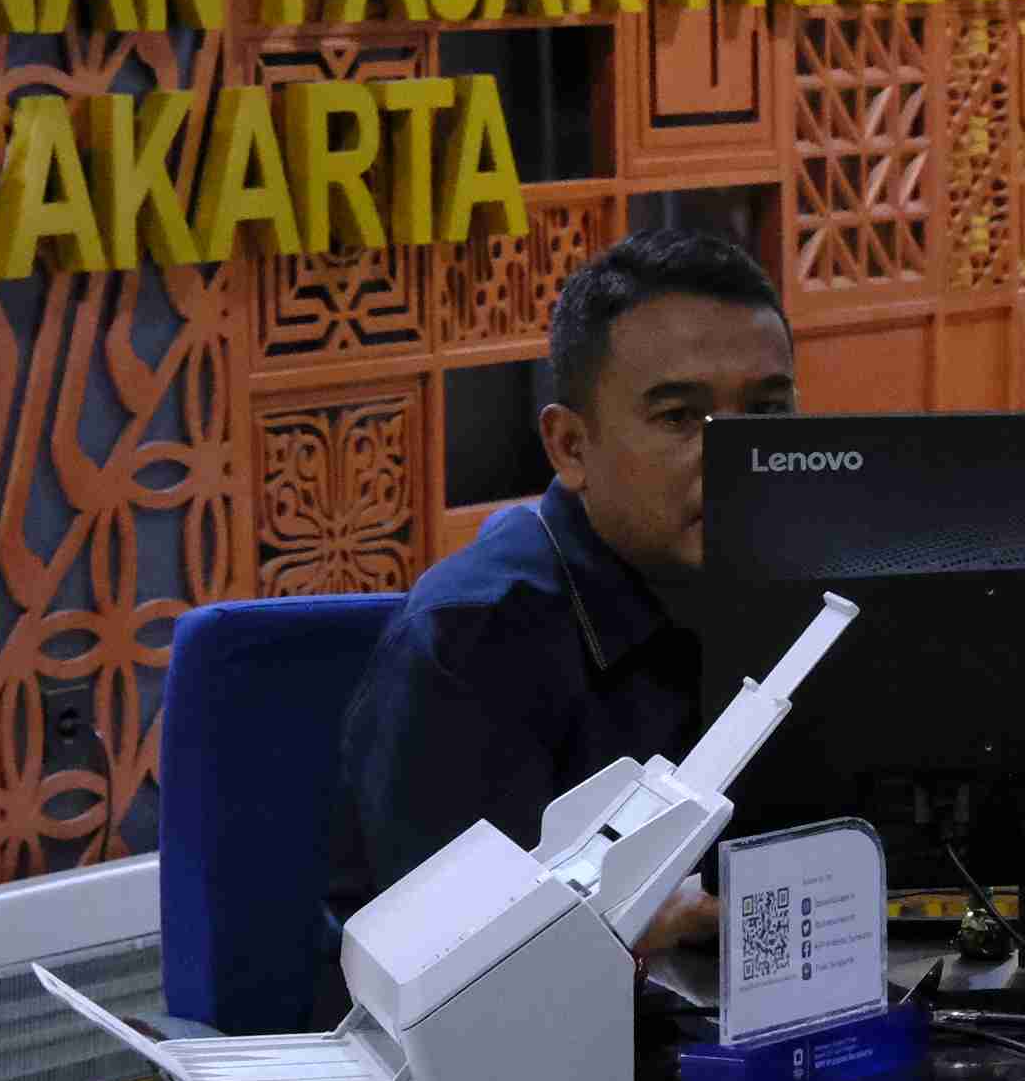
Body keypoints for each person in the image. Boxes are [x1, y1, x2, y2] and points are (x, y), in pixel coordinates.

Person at [331, 226, 796, 942]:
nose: (740, 457)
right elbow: (452, 969)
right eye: (679, 418)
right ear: (571, 446)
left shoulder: (809, 594)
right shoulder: (472, 642)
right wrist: (640, 926)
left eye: (766, 413)